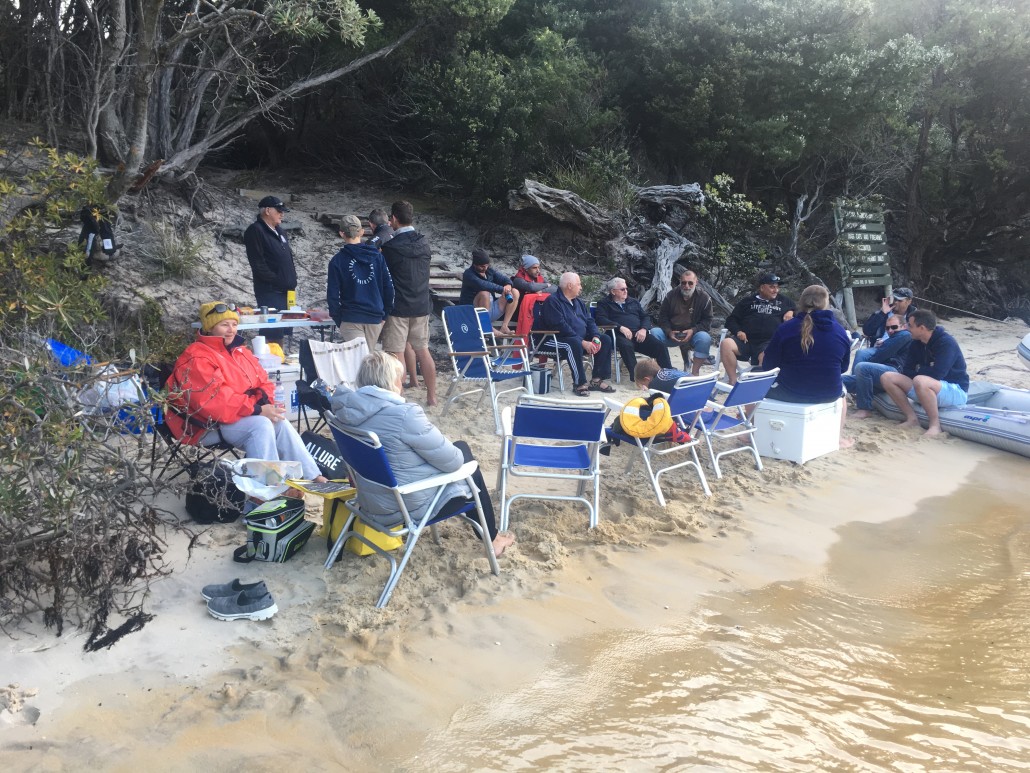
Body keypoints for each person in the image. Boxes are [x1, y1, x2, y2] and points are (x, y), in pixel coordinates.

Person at [329, 352, 515, 557]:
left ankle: (492, 536)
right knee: (468, 464)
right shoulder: (404, 415)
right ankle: (493, 539)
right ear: (391, 382)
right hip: (407, 506)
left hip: (371, 500)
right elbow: (453, 462)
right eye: (400, 379)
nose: (402, 384)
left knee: (447, 451)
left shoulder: (345, 412)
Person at [165, 301, 326, 481]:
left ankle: (313, 476)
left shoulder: (239, 351)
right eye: (224, 324)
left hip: (239, 414)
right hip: (204, 425)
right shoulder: (197, 357)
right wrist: (257, 409)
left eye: (234, 324)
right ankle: (267, 487)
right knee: (261, 425)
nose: (231, 330)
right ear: (210, 327)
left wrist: (263, 404)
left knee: (277, 420)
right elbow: (215, 402)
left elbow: (263, 382)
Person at [760, 284, 854, 448]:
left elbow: (769, 365)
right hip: (829, 392)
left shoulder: (786, 329)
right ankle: (838, 437)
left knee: (752, 383)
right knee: (842, 395)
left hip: (790, 391)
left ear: (801, 302)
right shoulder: (839, 331)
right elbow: (843, 368)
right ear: (826, 304)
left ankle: (752, 433)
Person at [380, 200, 438, 406]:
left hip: (399, 307)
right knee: (423, 351)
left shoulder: (391, 247)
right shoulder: (424, 243)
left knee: (397, 355)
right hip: (421, 305)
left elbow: (384, 278)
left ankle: (400, 398)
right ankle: (432, 397)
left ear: (394, 219)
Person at [880, 309, 969, 436]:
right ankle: (912, 418)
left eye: (910, 325)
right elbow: (907, 370)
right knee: (887, 377)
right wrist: (922, 371)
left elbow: (939, 373)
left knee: (920, 380)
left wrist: (919, 371)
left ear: (922, 328)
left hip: (955, 390)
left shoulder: (946, 343)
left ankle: (935, 425)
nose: (906, 328)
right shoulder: (915, 343)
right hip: (927, 386)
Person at [535, 272, 615, 396]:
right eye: (579, 284)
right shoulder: (553, 301)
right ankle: (579, 384)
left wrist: (595, 337)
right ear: (570, 285)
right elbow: (561, 326)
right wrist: (582, 342)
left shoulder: (578, 302)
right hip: (550, 340)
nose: (581, 287)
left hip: (576, 340)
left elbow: (589, 321)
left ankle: (596, 380)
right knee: (573, 343)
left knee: (605, 339)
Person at [326, 214, 395, 354]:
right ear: (362, 232)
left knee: (360, 362)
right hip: (374, 317)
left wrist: (338, 318)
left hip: (351, 317)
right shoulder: (377, 256)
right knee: (365, 360)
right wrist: (384, 315)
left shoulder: (337, 261)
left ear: (341, 233)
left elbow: (332, 294)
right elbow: (389, 289)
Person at [720, 272, 796, 385]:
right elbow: (731, 320)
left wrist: (791, 311)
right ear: (762, 287)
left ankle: (755, 387)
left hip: (768, 342)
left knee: (766, 355)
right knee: (726, 343)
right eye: (772, 287)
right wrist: (738, 331)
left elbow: (798, 312)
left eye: (777, 287)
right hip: (745, 341)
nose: (776, 290)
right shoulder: (747, 301)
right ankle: (733, 380)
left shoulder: (785, 301)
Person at [244, 195, 296, 355]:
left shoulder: (280, 231)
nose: (282, 214)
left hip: (287, 292)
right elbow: (258, 263)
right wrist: (275, 280)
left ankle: (278, 359)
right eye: (279, 211)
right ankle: (267, 364)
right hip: (270, 290)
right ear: (267, 211)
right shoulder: (255, 230)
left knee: (281, 331)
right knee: (271, 330)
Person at [596, 277, 672, 375]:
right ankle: (636, 377)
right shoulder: (604, 303)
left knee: (660, 346)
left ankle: (668, 374)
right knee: (626, 345)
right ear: (613, 292)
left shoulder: (633, 302)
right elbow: (600, 319)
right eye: (622, 289)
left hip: (638, 334)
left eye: (626, 288)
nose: (626, 291)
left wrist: (644, 329)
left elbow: (645, 317)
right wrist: (620, 327)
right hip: (619, 335)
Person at [845, 313, 912, 419]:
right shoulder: (895, 337)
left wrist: (872, 360)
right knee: (839, 379)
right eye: (887, 328)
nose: (890, 330)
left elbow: (882, 354)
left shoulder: (904, 335)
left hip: (894, 371)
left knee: (863, 367)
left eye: (894, 327)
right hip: (881, 372)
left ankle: (864, 409)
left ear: (904, 326)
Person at [652, 269, 714, 375]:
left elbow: (707, 321)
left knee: (705, 338)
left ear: (696, 282)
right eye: (684, 282)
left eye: (690, 283)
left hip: (693, 334)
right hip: (672, 334)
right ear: (680, 282)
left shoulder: (704, 298)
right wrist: (668, 331)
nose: (687, 286)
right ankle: (664, 368)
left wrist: (693, 330)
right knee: (654, 333)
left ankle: (694, 373)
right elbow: (662, 318)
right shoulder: (670, 296)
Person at [458, 248, 520, 334]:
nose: (485, 268)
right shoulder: (468, 274)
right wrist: (503, 289)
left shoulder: (489, 270)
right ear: (475, 264)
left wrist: (508, 285)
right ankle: (486, 327)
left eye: (487, 265)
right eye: (482, 266)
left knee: (515, 292)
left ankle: (504, 326)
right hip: (473, 312)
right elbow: (483, 285)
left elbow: (505, 279)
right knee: (484, 293)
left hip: (491, 309)